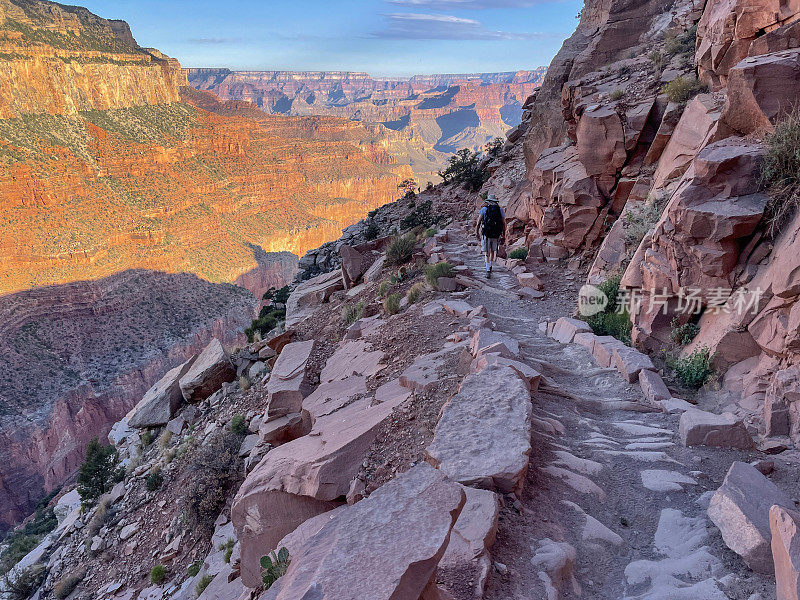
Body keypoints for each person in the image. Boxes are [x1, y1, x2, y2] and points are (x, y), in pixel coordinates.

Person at [475, 194, 506, 278]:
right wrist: (503, 235)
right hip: (496, 234)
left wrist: (477, 232)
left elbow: (478, 222)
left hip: (486, 234)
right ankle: (490, 265)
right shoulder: (500, 210)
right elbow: (503, 223)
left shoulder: (484, 209)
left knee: (486, 252)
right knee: (493, 251)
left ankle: (488, 269)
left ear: (488, 202)